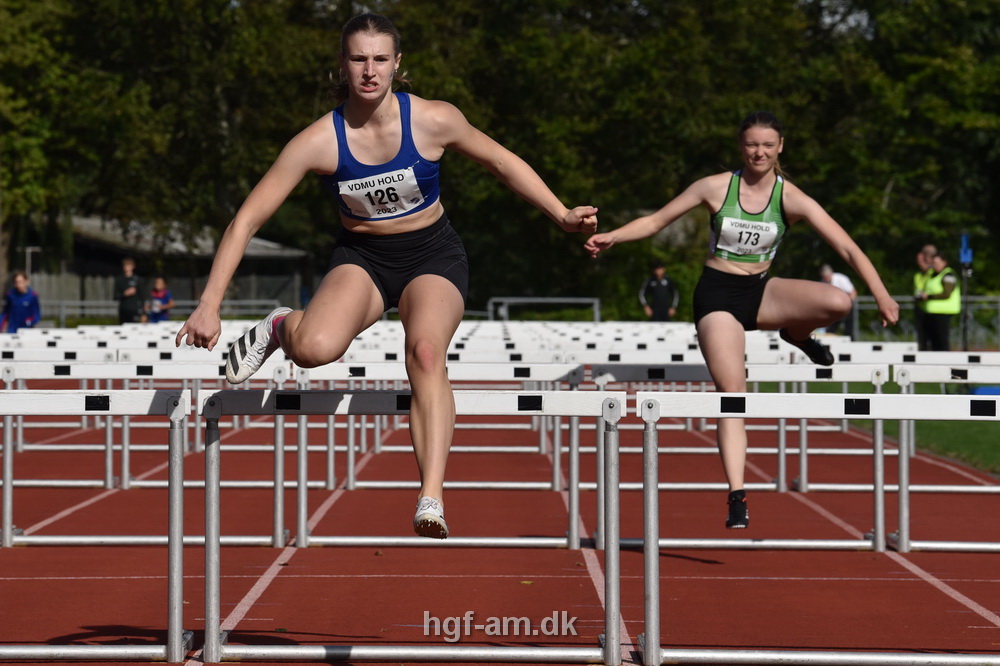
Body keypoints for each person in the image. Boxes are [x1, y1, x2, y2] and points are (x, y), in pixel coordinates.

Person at [174, 12, 598, 539]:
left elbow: (502, 162)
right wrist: (210, 303)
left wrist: (560, 213)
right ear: (342, 65)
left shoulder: (433, 119)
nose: (369, 71)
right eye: (358, 59)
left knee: (425, 352)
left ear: (398, 64)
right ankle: (282, 326)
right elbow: (248, 219)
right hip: (364, 259)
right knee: (315, 349)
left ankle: (431, 496)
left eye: (380, 59)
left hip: (432, 256)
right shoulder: (319, 141)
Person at [584, 110, 899, 529]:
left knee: (839, 302)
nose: (759, 152)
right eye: (752, 144)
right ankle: (737, 493)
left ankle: (797, 332)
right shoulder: (716, 187)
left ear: (780, 147)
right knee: (733, 392)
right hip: (718, 294)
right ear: (741, 146)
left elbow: (847, 247)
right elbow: (658, 221)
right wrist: (613, 236)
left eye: (768, 145)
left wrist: (881, 294)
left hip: (762, 291)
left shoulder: (791, 197)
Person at [919, 252, 960, 351]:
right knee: (933, 340)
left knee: (941, 340)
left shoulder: (948, 275)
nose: (935, 265)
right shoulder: (932, 274)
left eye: (937, 263)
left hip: (943, 312)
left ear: (944, 262)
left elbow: (946, 293)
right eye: (933, 263)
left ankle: (944, 361)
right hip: (931, 312)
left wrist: (928, 296)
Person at [819, 263, 857, 337]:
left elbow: (852, 293)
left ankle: (850, 338)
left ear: (831, 274)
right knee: (830, 326)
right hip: (832, 307)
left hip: (846, 304)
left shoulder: (841, 279)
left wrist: (848, 305)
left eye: (827, 276)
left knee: (848, 326)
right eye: (824, 277)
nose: (825, 278)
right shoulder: (822, 282)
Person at [912, 244, 936, 350]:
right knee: (922, 339)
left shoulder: (933, 273)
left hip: (932, 309)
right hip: (920, 307)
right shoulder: (918, 275)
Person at [115, 257, 145, 324]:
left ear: (133, 266)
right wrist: (125, 294)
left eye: (128, 265)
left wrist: (143, 313)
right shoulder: (119, 279)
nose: (126, 267)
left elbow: (142, 297)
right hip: (123, 310)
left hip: (135, 309)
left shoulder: (137, 279)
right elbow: (115, 296)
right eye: (125, 265)